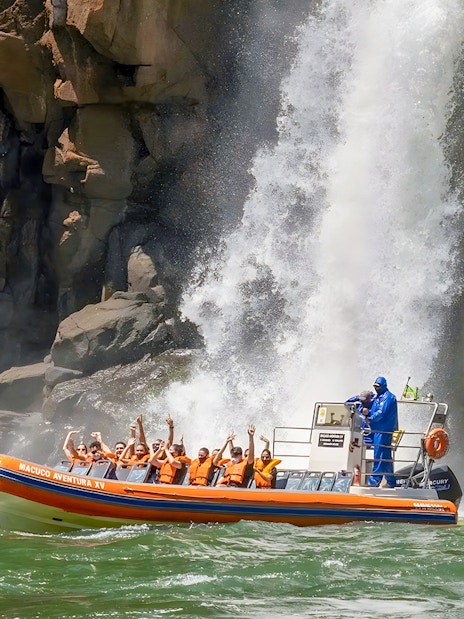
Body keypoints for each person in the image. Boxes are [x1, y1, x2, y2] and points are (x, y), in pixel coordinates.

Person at [361, 376, 398, 488]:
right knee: (385, 456)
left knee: (379, 455)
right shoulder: (379, 396)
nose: (376, 388)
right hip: (379, 430)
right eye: (375, 386)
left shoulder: (388, 397)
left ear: (383, 386)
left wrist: (370, 418)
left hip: (383, 431)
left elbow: (381, 413)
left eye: (378, 386)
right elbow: (375, 410)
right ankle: (391, 481)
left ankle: (374, 481)